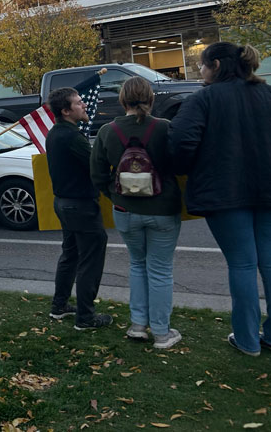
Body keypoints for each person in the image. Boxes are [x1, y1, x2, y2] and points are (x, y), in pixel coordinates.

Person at [169, 42, 271, 357]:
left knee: (242, 264)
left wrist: (187, 169)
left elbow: (179, 143)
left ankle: (247, 340)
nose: (199, 71)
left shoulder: (203, 99)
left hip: (224, 193)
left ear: (216, 65)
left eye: (201, 65)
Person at [90, 77, 183, 348]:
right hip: (163, 209)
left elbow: (96, 174)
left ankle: (138, 325)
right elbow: (181, 162)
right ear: (151, 99)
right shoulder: (165, 128)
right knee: (160, 270)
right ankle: (162, 333)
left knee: (137, 265)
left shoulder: (108, 131)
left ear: (122, 99)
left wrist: (116, 195)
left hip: (125, 210)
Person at [45, 86, 111, 330]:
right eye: (78, 103)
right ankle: (85, 317)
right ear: (65, 111)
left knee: (71, 254)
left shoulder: (55, 133)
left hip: (63, 203)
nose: (84, 105)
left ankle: (59, 305)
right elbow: (95, 164)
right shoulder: (72, 137)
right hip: (80, 206)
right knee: (90, 258)